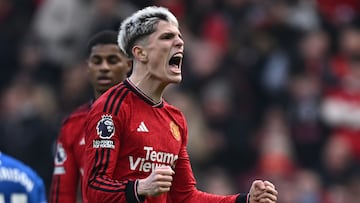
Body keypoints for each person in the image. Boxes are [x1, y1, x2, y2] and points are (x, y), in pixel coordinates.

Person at [82, 6, 278, 203]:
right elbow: (94, 187)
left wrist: (244, 200)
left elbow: (186, 197)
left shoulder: (175, 119)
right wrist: (140, 187)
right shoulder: (111, 108)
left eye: (179, 37)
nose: (180, 43)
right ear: (141, 53)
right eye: (167, 37)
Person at [49, 30, 132, 203]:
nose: (104, 67)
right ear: (88, 67)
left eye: (112, 60)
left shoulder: (151, 118)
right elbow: (62, 193)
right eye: (97, 61)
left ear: (128, 65)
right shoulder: (72, 125)